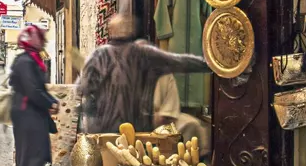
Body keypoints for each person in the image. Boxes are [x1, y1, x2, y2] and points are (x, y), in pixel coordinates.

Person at [78, 13, 211, 134]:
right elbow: (179, 62)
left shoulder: (98, 56)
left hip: (104, 130)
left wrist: (90, 118)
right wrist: (210, 65)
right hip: (136, 131)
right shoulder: (142, 53)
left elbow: (82, 88)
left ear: (110, 31)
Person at [10, 24, 58, 166]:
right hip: (27, 114)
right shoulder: (26, 61)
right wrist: (50, 103)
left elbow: (37, 88)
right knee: (33, 156)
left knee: (40, 155)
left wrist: (51, 101)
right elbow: (32, 90)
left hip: (32, 114)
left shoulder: (31, 59)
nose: (44, 41)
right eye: (40, 37)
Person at [153, 74, 211, 154]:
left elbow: (168, 115)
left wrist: (162, 116)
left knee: (192, 125)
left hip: (164, 126)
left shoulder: (165, 75)